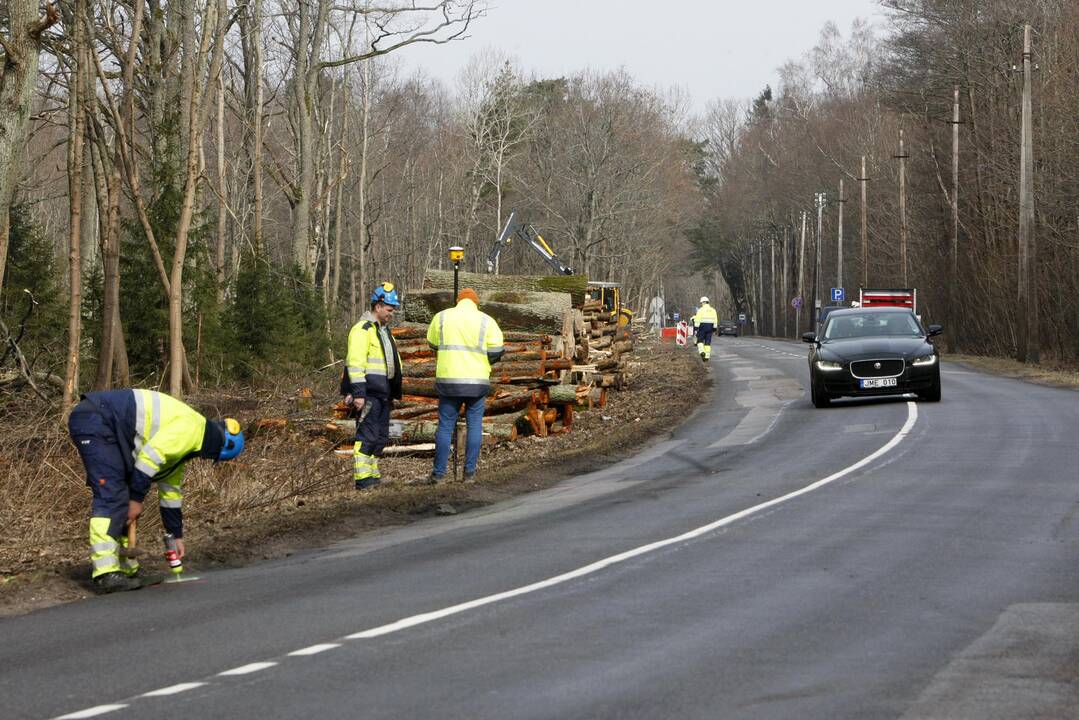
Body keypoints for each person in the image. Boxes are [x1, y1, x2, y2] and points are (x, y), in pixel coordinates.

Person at [68, 389, 245, 594]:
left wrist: (175, 536)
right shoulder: (191, 430)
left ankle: (125, 569)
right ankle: (106, 573)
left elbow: (170, 496)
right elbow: (147, 461)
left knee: (122, 496)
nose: (206, 459)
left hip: (104, 422)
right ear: (219, 447)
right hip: (97, 419)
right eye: (213, 457)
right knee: (113, 496)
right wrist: (136, 500)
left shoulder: (185, 447)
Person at [421, 288, 504, 484]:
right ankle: (469, 474)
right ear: (476, 303)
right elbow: (498, 349)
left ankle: (439, 474)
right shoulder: (486, 320)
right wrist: (485, 361)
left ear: (458, 301)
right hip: (477, 382)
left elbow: (432, 343)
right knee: (474, 425)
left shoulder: (441, 317)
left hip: (449, 381)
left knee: (445, 427)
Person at [342, 281, 403, 490]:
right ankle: (363, 479)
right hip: (368, 394)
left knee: (380, 437)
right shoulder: (363, 330)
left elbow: (393, 363)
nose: (392, 312)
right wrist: (358, 394)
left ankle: (373, 475)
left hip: (383, 394)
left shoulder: (384, 332)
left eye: (393, 309)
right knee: (367, 436)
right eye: (389, 308)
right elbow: (355, 363)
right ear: (378, 306)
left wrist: (394, 391)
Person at [692, 296, 719, 361]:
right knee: (707, 342)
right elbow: (715, 320)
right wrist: (714, 328)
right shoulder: (713, 310)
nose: (701, 304)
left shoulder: (700, 310)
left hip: (702, 327)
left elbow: (697, 319)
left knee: (700, 341)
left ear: (703, 302)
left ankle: (702, 352)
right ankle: (706, 357)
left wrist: (696, 327)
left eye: (701, 303)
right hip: (710, 327)